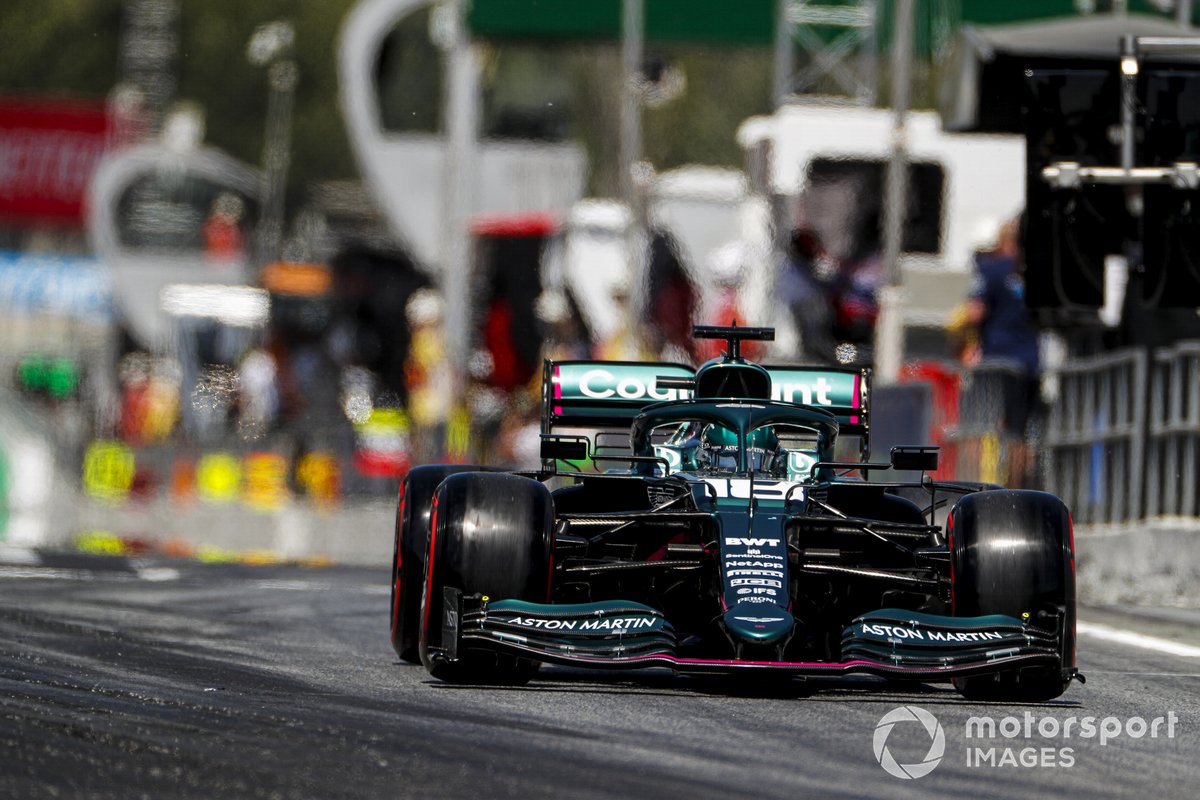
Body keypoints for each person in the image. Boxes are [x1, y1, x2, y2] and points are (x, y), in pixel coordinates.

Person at [963, 214, 1042, 487]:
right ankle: (1015, 490)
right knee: (1020, 433)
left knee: (981, 426)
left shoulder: (992, 270)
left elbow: (974, 313)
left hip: (996, 359)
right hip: (1029, 361)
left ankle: (976, 487)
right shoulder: (1036, 271)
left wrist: (959, 338)